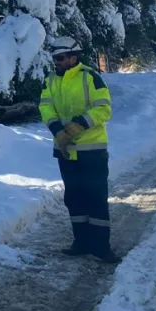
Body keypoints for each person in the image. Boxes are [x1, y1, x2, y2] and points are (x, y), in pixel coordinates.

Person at [39, 36, 120, 263]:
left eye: (61, 58)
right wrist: (58, 131)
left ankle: (101, 246)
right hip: (65, 149)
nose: (57, 62)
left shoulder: (90, 77)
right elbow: (45, 107)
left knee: (95, 197)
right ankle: (81, 242)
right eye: (55, 58)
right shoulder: (51, 81)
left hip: (91, 150)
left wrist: (80, 123)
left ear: (74, 57)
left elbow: (103, 109)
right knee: (74, 198)